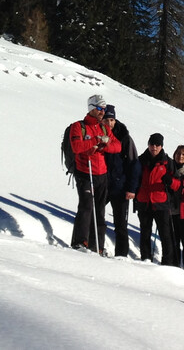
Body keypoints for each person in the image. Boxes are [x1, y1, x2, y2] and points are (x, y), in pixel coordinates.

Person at [68, 94, 120, 253]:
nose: (102, 112)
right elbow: (76, 147)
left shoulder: (103, 127)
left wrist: (104, 146)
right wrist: (94, 141)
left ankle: (97, 245)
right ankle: (79, 242)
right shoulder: (79, 126)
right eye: (99, 108)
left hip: (101, 174)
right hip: (85, 172)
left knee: (99, 210)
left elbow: (117, 146)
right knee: (85, 208)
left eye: (103, 109)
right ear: (91, 108)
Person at [102, 105, 141, 257]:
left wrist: (131, 188)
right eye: (106, 120)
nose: (109, 123)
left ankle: (121, 255)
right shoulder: (98, 134)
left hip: (120, 188)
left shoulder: (124, 137)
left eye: (111, 120)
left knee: (121, 225)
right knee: (96, 217)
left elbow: (134, 164)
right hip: (103, 185)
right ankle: (95, 247)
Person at [136, 133, 174, 264]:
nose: (154, 147)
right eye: (152, 144)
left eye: (157, 145)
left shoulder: (168, 162)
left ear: (161, 146)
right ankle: (145, 258)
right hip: (144, 201)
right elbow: (134, 178)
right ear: (148, 145)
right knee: (145, 232)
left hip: (161, 202)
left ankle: (167, 261)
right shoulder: (141, 160)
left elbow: (177, 184)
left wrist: (170, 181)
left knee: (165, 234)